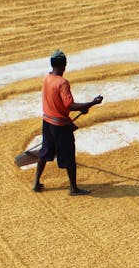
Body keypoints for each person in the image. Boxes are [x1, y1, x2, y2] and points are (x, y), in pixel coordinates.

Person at [33, 50, 103, 195]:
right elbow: (69, 105)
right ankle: (73, 188)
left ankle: (36, 183)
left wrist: (83, 108)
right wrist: (92, 103)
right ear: (65, 65)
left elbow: (59, 102)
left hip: (47, 121)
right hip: (59, 126)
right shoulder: (62, 83)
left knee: (45, 152)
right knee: (69, 155)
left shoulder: (47, 78)